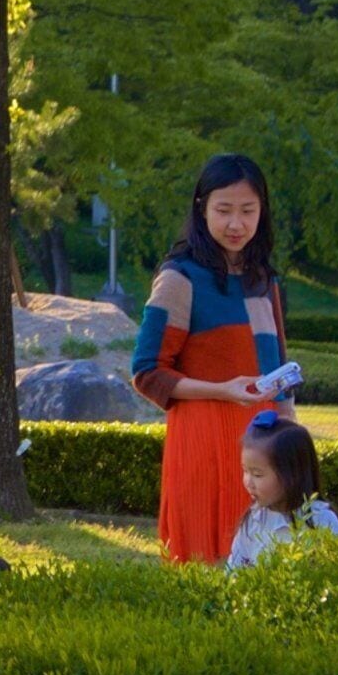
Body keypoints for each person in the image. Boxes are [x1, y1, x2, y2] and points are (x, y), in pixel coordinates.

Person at [130, 153, 299, 565]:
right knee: (204, 559)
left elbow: (279, 367)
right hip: (202, 437)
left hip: (263, 440)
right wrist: (222, 391)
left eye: (248, 211)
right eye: (224, 210)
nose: (236, 224)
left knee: (264, 567)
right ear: (201, 208)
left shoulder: (263, 279)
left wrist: (291, 435)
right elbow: (146, 372)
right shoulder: (179, 278)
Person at [226, 416, 338, 569]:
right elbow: (234, 570)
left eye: (257, 474)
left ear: (292, 475)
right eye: (245, 471)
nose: (248, 482)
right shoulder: (254, 519)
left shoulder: (321, 520)